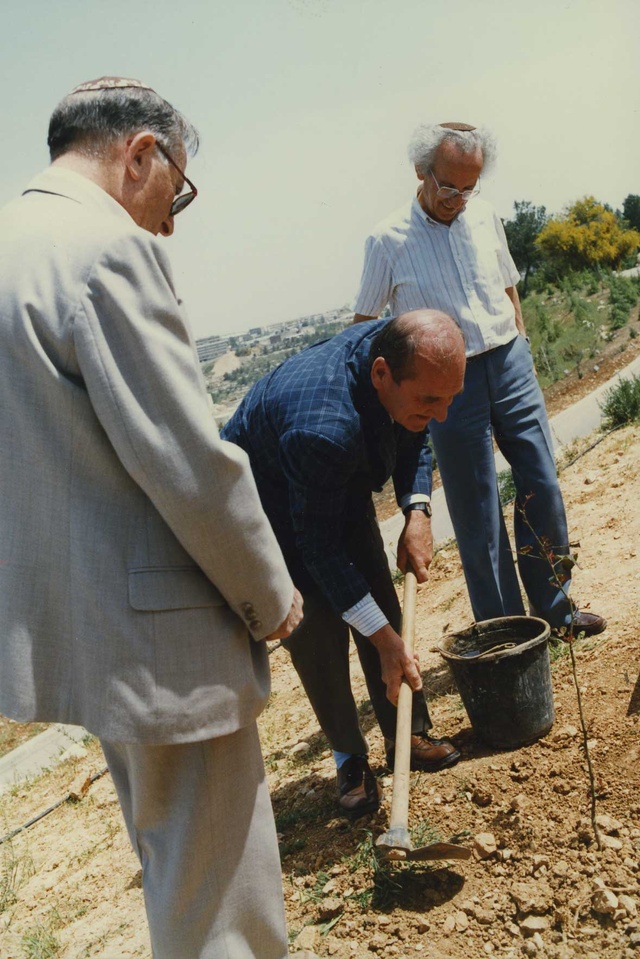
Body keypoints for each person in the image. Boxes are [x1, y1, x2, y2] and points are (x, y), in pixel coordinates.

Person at [0, 76, 306, 959]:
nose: (171, 219)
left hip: (89, 633)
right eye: (179, 189)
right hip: (165, 638)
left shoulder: (15, 242)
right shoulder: (104, 250)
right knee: (221, 905)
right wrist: (268, 593)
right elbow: (187, 462)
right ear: (141, 154)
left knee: (177, 874)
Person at [353, 121, 605, 638]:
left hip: (509, 361)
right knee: (476, 508)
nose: (459, 199)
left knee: (541, 481)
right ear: (421, 171)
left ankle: (557, 610)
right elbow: (364, 327)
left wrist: (522, 341)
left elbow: (509, 286)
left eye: (470, 187)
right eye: (449, 186)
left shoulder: (485, 215)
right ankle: (510, 630)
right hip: (449, 387)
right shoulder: (387, 239)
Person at [222, 311, 466, 816]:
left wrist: (416, 510)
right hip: (268, 509)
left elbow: (416, 428)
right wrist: (383, 641)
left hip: (335, 477)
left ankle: (409, 735)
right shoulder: (323, 429)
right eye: (429, 401)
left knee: (377, 595)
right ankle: (350, 758)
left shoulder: (404, 355)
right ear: (381, 374)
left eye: (449, 399)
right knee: (313, 631)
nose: (441, 415)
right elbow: (319, 547)